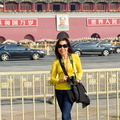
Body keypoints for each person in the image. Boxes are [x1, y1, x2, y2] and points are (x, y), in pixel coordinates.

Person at [50, 38, 83, 120]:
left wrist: (77, 80)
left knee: (65, 115)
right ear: (57, 48)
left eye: (64, 46)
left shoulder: (74, 57)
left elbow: (80, 71)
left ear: (68, 47)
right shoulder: (56, 61)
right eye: (60, 46)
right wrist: (60, 80)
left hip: (70, 90)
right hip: (59, 90)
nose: (62, 48)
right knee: (66, 114)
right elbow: (52, 78)